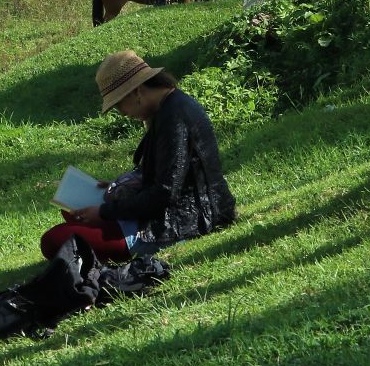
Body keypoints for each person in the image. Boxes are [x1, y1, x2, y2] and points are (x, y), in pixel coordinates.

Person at [40, 50, 237, 262]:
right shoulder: (169, 109)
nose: (122, 113)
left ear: (137, 92)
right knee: (73, 217)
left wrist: (106, 212)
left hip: (187, 221)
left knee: (55, 239)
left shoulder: (174, 117)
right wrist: (118, 188)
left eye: (118, 105)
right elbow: (162, 175)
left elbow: (165, 194)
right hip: (176, 213)